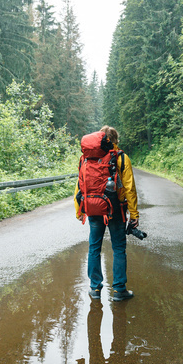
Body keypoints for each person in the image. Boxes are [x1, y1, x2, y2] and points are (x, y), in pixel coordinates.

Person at [74, 125, 139, 301]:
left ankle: (95, 288)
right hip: (115, 210)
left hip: (93, 210)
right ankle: (119, 290)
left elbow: (80, 186)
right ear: (115, 140)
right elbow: (129, 188)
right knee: (118, 248)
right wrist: (134, 214)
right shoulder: (121, 158)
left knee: (94, 247)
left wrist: (78, 209)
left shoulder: (86, 160)